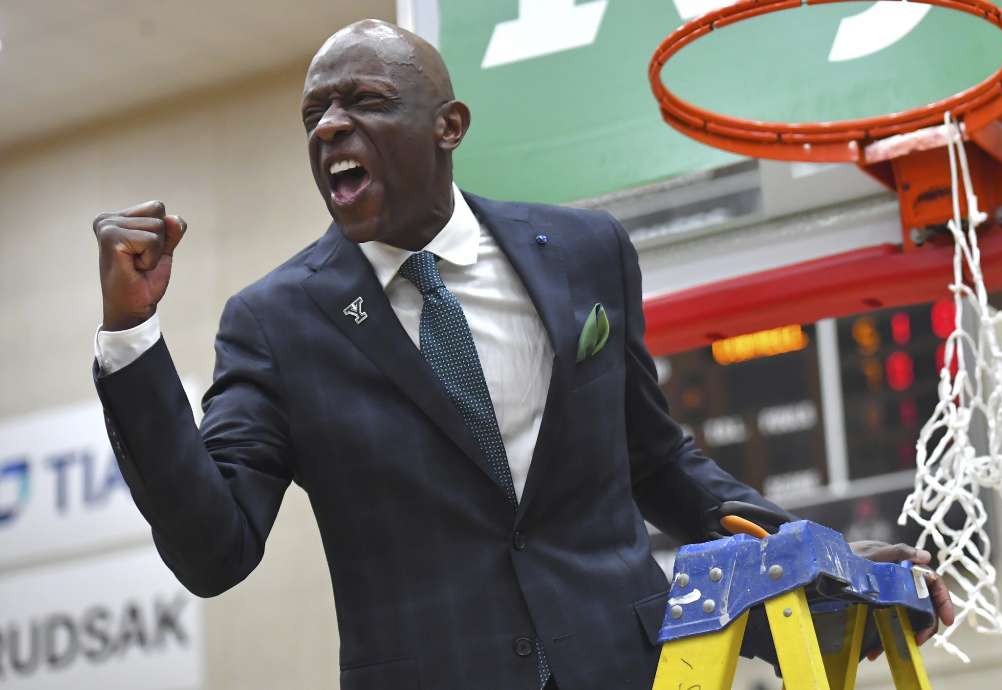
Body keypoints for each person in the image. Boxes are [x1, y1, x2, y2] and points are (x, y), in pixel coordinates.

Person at [90, 19, 953, 690]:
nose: (331, 127)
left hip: (629, 669)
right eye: (315, 114)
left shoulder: (585, 252)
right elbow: (214, 552)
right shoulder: (276, 322)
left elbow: (658, 464)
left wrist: (818, 557)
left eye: (365, 101)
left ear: (448, 126)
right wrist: (132, 337)